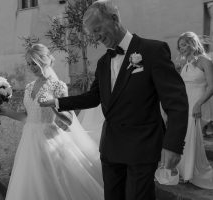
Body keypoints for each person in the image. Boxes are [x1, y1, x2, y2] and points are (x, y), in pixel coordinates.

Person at [40, 1, 189, 199]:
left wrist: (173, 145)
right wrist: (58, 102)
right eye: (92, 33)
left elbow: (176, 102)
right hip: (111, 147)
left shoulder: (153, 51)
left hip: (142, 147)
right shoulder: (103, 63)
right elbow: (94, 97)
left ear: (114, 19)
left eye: (98, 29)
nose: (96, 37)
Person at [1, 43, 104, 200]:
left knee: (53, 185)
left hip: (50, 142)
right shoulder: (29, 87)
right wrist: (6, 113)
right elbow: (29, 117)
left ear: (45, 60)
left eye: (34, 63)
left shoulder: (58, 85)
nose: (31, 67)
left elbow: (69, 120)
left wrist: (53, 107)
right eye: (29, 63)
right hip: (29, 142)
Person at [176, 31, 213, 189]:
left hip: (197, 104)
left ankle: (190, 173)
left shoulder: (205, 61)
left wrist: (198, 104)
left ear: (192, 43)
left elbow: (212, 87)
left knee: (190, 136)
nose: (181, 48)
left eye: (184, 44)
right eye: (180, 46)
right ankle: (184, 171)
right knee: (185, 137)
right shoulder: (185, 64)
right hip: (185, 106)